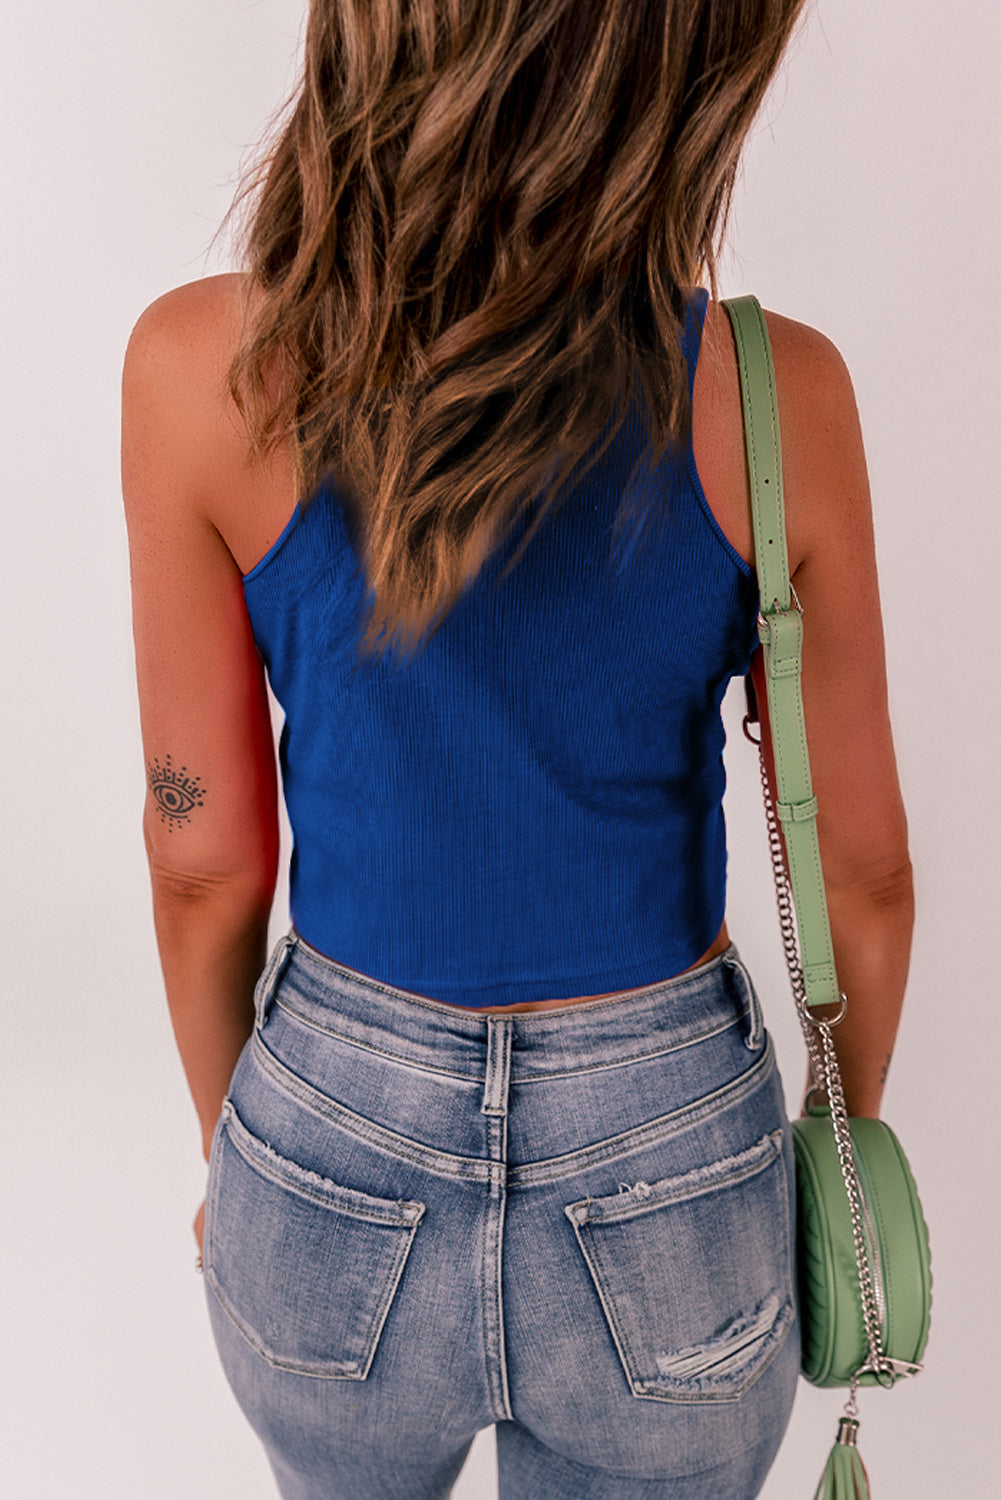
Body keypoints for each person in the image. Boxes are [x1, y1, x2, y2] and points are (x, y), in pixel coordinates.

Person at [121, 2, 913, 1496]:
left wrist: (250, 1162)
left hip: (331, 1133)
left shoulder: (200, 367)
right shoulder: (772, 398)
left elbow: (202, 870)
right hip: (670, 1154)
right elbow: (863, 878)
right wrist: (837, 1149)